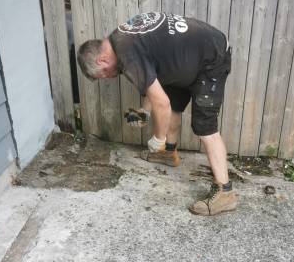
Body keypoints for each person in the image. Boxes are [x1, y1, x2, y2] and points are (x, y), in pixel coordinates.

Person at [77, 12, 238, 216]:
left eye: (103, 74)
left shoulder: (127, 54)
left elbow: (162, 104)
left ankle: (225, 193)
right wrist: (144, 112)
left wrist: (158, 138)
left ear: (101, 60)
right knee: (174, 104)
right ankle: (168, 153)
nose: (108, 78)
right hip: (191, 57)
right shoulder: (120, 39)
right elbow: (154, 84)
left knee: (205, 127)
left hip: (211, 58)